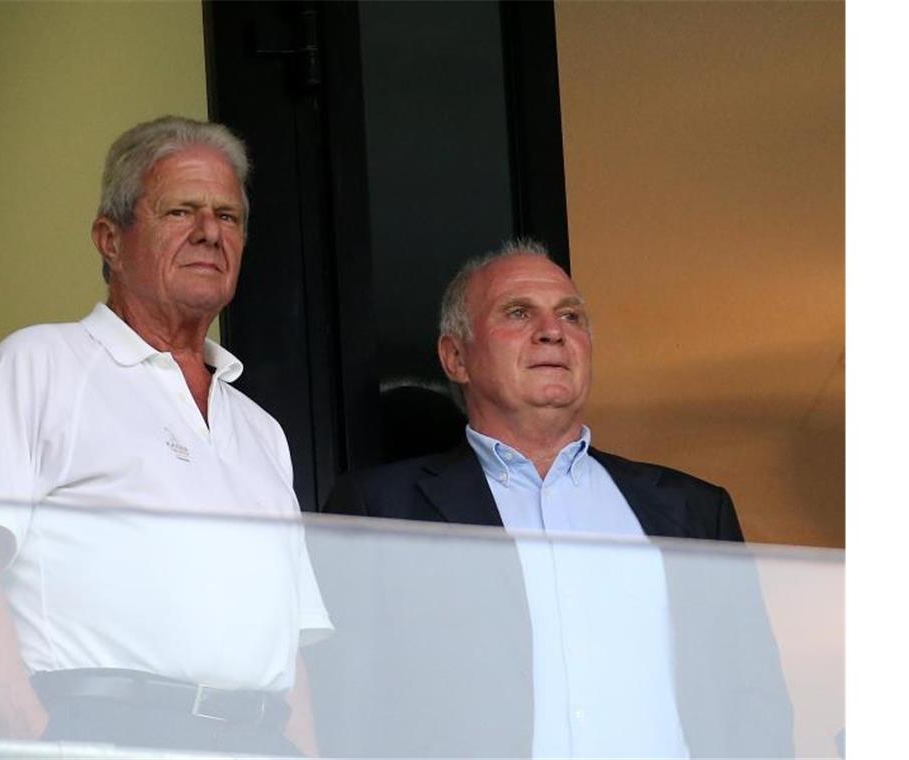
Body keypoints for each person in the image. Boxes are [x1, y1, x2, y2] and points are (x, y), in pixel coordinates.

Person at [0, 116, 332, 755]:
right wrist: (40, 740)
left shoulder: (261, 429)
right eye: (181, 210)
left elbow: (289, 644)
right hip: (104, 733)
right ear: (110, 240)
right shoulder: (40, 363)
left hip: (259, 740)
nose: (210, 232)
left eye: (229, 217)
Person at [322, 239, 792, 758]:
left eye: (571, 316)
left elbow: (754, 702)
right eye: (518, 313)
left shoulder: (695, 511)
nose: (552, 331)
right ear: (456, 357)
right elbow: (352, 717)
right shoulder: (382, 509)